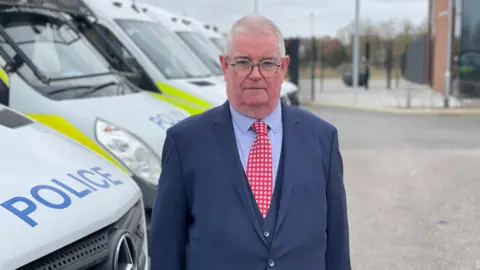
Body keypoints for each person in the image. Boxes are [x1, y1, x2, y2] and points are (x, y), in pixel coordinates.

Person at [149, 15, 351, 270]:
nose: (255, 75)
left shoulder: (322, 138)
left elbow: (337, 242)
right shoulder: (185, 142)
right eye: (243, 62)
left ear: (283, 66)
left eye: (267, 63)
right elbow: (166, 246)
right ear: (224, 65)